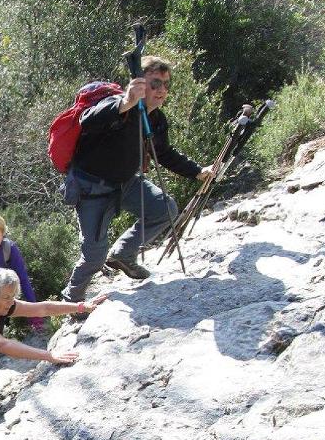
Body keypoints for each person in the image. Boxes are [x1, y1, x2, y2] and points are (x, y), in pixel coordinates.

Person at [61, 55, 214, 303]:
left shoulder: (155, 118)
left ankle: (123, 254)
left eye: (166, 85)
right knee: (93, 257)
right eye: (155, 84)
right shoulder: (117, 105)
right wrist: (126, 102)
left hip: (126, 184)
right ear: (139, 84)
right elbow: (88, 119)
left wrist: (197, 171)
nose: (162, 90)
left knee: (166, 208)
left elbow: (163, 153)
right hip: (93, 190)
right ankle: (71, 303)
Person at [0, 266, 106, 411]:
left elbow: (42, 309)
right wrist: (49, 356)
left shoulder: (1, 307)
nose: (11, 301)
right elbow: (3, 344)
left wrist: (81, 306)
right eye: (6, 297)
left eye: (13, 296)